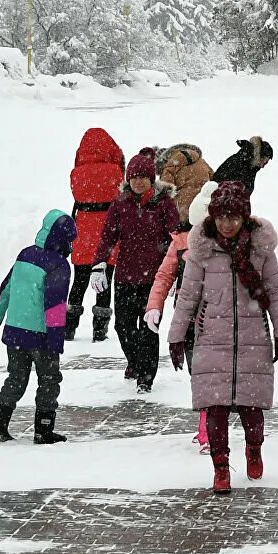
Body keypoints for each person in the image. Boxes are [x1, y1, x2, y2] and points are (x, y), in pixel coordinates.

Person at [169, 182, 278, 495]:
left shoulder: (260, 249)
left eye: (234, 217)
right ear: (212, 217)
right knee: (216, 407)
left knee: (252, 406)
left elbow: (274, 292)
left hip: (254, 337)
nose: (227, 223)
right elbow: (188, 295)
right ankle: (220, 467)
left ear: (244, 217)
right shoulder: (203, 250)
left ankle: (254, 449)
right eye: (222, 217)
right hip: (212, 337)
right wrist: (176, 335)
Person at [0, 210, 76, 445]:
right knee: (49, 380)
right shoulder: (59, 265)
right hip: (41, 336)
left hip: (14, 331)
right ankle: (43, 429)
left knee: (16, 378)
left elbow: (6, 287)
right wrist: (56, 339)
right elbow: (54, 305)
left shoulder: (25, 255)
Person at [95, 149, 180, 393]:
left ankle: (146, 376)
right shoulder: (120, 204)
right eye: (134, 177)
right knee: (122, 326)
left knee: (148, 328)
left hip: (154, 280)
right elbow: (107, 237)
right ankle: (135, 361)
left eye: (143, 177)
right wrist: (99, 265)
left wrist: (176, 273)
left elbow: (176, 240)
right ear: (128, 180)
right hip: (124, 276)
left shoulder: (164, 205)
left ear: (151, 179)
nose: (138, 181)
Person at [146, 182, 217, 453]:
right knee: (198, 374)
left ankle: (210, 428)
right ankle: (207, 426)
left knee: (214, 375)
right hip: (188, 320)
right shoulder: (180, 242)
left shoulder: (231, 243)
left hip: (220, 319)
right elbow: (164, 275)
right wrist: (154, 305)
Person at [66, 127, 125, 341]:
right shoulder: (115, 172)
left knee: (79, 280)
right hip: (106, 231)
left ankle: (69, 326)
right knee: (104, 281)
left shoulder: (76, 174)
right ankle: (100, 329)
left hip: (83, 231)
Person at [157, 144, 213, 231]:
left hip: (183, 212)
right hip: (203, 207)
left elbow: (166, 192)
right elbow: (214, 178)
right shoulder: (201, 161)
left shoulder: (169, 167)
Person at [210, 136, 275, 195]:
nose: (263, 166)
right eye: (265, 162)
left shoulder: (250, 167)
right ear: (260, 156)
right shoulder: (240, 163)